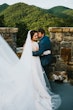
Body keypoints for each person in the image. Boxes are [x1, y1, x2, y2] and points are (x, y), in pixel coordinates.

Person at [0, 31, 61, 110]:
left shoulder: (35, 43)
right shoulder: (30, 44)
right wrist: (43, 53)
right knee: (34, 74)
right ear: (31, 36)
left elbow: (37, 52)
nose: (36, 37)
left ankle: (38, 88)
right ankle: (34, 89)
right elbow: (33, 53)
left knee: (37, 74)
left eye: (37, 35)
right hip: (33, 62)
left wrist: (43, 53)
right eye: (35, 36)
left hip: (36, 61)